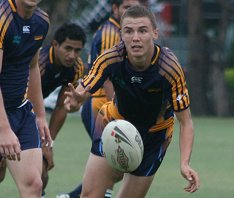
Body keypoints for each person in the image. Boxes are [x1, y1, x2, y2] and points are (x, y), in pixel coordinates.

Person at [64, 5, 200, 198]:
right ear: (121, 34)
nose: (135, 38)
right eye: (128, 31)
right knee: (90, 195)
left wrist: (185, 163)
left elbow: (186, 122)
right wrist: (75, 101)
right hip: (113, 125)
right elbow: (82, 91)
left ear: (155, 33)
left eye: (142, 30)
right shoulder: (110, 58)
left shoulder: (169, 68)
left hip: (153, 136)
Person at [58, 1, 140, 198]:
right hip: (100, 106)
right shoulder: (112, 33)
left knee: (117, 165)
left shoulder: (122, 31)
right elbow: (107, 78)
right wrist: (120, 113)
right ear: (114, 9)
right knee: (114, 163)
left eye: (134, 7)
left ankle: (72, 196)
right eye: (125, 6)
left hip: (106, 106)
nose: (130, 11)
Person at [0, 0, 52, 197]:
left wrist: (40, 115)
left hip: (20, 111)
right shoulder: (2, 18)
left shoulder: (42, 21)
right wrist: (3, 129)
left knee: (33, 185)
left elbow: (32, 66)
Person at [39, 23, 86, 197]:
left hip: (30, 112)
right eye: (68, 48)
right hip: (10, 110)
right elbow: (26, 104)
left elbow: (61, 106)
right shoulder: (39, 63)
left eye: (77, 50)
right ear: (55, 45)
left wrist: (49, 144)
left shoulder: (76, 68)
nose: (72, 55)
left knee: (41, 174)